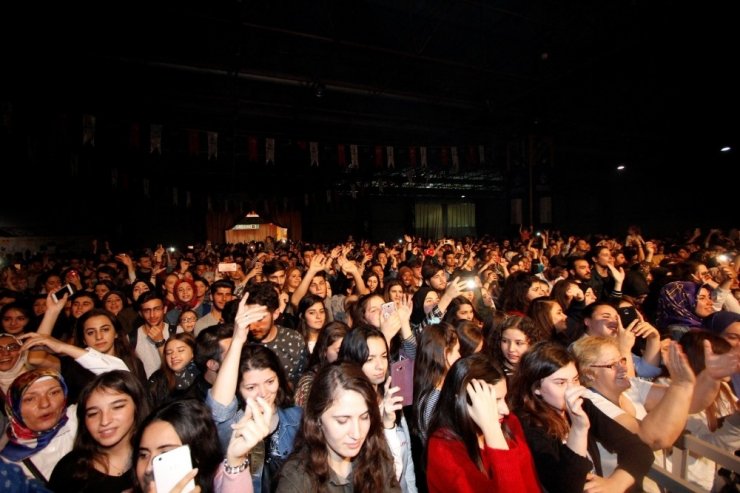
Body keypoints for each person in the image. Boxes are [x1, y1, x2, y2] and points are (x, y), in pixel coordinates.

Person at [508, 341, 654, 493]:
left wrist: (616, 483)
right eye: (561, 383)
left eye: (575, 379)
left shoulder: (583, 405)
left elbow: (639, 449)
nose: (572, 389)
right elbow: (565, 487)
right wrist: (579, 429)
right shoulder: (527, 426)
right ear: (536, 388)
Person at [207, 293, 301, 493]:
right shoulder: (233, 425)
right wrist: (238, 338)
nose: (263, 393)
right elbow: (217, 408)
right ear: (237, 390)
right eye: (250, 387)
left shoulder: (297, 417)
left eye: (270, 382)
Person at [276, 363, 401, 492]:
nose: (357, 434)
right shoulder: (296, 479)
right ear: (317, 418)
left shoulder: (375, 452)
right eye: (343, 421)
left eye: (364, 417)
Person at [426, 354, 541, 493]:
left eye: (504, 398)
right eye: (495, 400)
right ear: (465, 403)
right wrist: (492, 429)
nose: (505, 410)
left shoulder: (509, 422)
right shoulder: (443, 448)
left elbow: (530, 484)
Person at [338, 325, 417, 493]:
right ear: (353, 360)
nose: (380, 366)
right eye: (370, 359)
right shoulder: (350, 413)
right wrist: (386, 425)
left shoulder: (391, 395)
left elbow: (407, 456)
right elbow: (380, 473)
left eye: (383, 356)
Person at [48, 371, 151, 492]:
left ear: (137, 407)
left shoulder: (158, 462)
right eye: (93, 414)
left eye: (117, 407)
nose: (104, 421)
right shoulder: (68, 470)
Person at [133, 398, 259, 493]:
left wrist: (235, 461)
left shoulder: (218, 482)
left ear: (197, 455)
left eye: (164, 454)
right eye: (143, 455)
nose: (149, 468)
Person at [0, 370, 78, 482]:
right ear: (15, 408)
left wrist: (66, 351)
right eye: (30, 399)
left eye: (54, 393)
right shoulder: (9, 463)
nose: (45, 404)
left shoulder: (81, 420)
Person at [75, 309, 146, 383]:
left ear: (116, 333)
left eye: (105, 329)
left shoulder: (134, 364)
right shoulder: (75, 371)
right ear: (84, 339)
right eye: (91, 332)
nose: (99, 337)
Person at [294, 321, 349, 408]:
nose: (345, 355)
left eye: (348, 349)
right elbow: (300, 415)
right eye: (339, 351)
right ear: (324, 351)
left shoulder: (354, 372)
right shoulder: (310, 381)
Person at [147, 333, 200, 408]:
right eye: (169, 353)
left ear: (193, 353)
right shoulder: (157, 379)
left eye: (180, 350)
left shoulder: (204, 376)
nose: (173, 356)